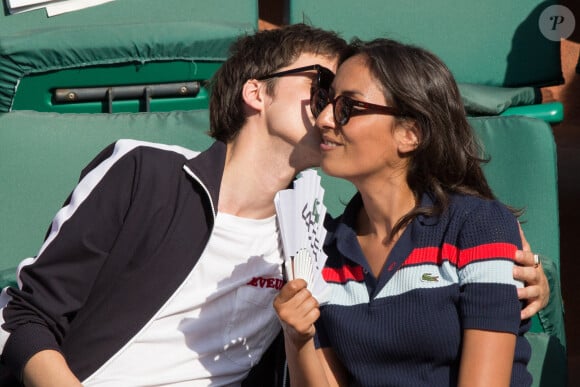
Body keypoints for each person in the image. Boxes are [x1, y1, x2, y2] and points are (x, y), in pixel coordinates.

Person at [0, 25, 546, 386]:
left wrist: (534, 284)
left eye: (344, 99)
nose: (330, 109)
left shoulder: (316, 242)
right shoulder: (147, 173)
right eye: (321, 86)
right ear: (256, 93)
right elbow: (23, 316)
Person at [274, 38, 537, 386]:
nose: (323, 119)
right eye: (327, 102)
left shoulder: (479, 226)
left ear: (410, 133)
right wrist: (298, 337)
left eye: (348, 107)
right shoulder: (321, 247)